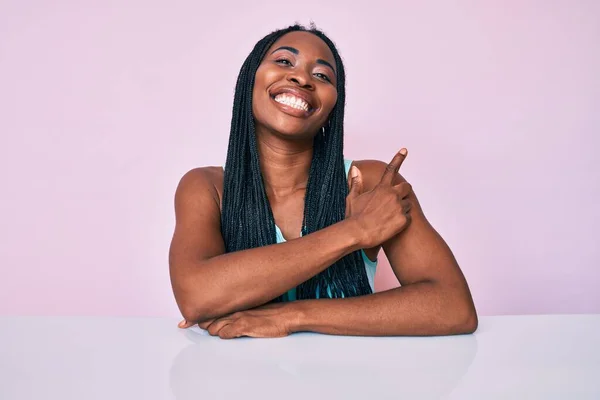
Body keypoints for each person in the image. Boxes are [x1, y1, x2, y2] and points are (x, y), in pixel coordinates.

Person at [168, 24, 478, 339]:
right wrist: (355, 231)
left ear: (332, 108)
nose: (302, 78)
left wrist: (290, 316)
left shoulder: (369, 182)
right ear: (249, 80)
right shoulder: (207, 187)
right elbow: (196, 297)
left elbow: (453, 307)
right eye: (285, 62)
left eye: (322, 76)